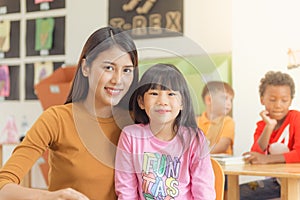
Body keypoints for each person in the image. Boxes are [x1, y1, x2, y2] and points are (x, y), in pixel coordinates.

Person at [0, 26, 139, 200]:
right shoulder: (56, 120)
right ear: (85, 67)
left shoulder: (137, 124)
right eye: (109, 68)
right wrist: (50, 197)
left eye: (127, 70)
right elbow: (3, 186)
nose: (118, 80)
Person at [115, 63, 216, 199]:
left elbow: (204, 192)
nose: (162, 101)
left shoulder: (194, 139)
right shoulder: (130, 136)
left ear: (182, 103)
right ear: (141, 102)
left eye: (171, 94)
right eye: (154, 93)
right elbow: (126, 190)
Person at [241, 71, 300, 200]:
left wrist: (266, 159)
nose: (278, 105)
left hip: (296, 183)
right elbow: (256, 154)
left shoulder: (296, 118)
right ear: (262, 100)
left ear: (290, 101)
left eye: (284, 100)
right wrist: (269, 126)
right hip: (276, 183)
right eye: (272, 100)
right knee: (238, 193)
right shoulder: (262, 125)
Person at [197, 81, 235, 155]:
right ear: (209, 100)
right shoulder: (196, 122)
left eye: (231, 100)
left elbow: (223, 146)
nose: (229, 103)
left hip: (221, 165)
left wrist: (199, 155)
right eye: (225, 98)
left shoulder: (228, 121)